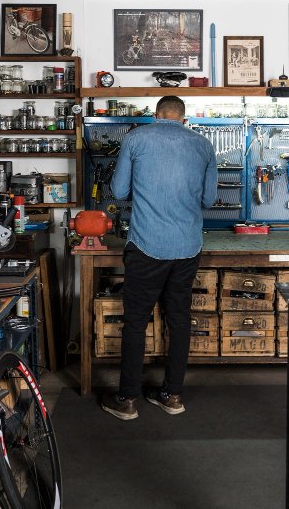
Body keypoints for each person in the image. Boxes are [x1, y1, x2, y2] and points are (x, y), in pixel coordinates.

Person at [102, 95, 216, 420]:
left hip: (147, 245)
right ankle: (172, 395)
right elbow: (208, 199)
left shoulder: (136, 138)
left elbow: (119, 192)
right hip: (187, 247)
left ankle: (127, 400)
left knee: (135, 323)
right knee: (179, 320)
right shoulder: (204, 145)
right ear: (183, 117)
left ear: (156, 115)